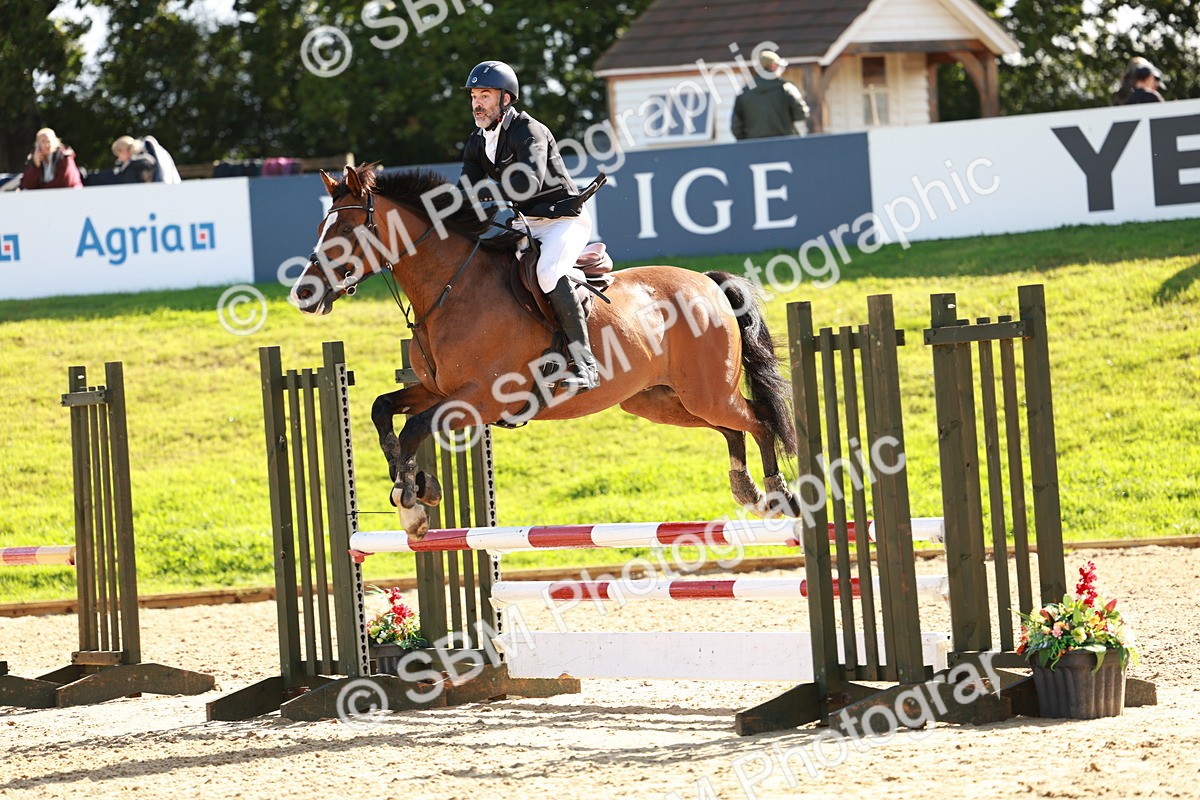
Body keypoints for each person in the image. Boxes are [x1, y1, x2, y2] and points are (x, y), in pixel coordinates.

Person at [459, 60, 599, 393]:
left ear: (505, 99)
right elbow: (466, 188)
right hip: (525, 224)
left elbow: (528, 182)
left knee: (548, 272)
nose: (477, 103)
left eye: (485, 96)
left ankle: (586, 365)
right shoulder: (478, 141)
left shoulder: (528, 131)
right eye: (474, 96)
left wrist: (489, 198)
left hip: (562, 221)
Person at [731, 50, 809, 140]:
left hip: (754, 147)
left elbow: (736, 128)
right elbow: (801, 114)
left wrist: (748, 142)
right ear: (773, 66)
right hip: (785, 145)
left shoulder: (744, 93)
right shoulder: (786, 88)